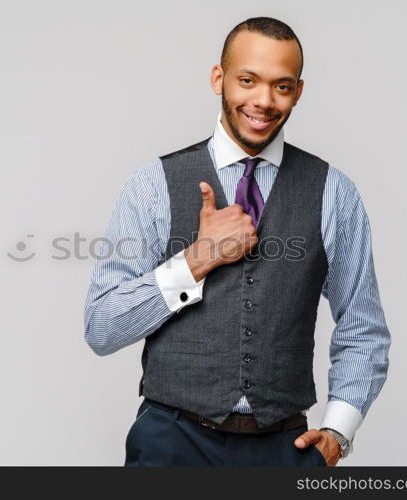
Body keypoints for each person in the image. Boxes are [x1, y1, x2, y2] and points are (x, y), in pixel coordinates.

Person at [84, 16, 391, 466]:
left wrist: (338, 432)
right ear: (219, 79)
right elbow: (102, 328)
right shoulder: (152, 185)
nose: (263, 101)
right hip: (171, 443)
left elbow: (363, 325)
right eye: (248, 80)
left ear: (298, 91)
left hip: (284, 448)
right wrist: (196, 259)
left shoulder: (333, 192)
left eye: (281, 86)